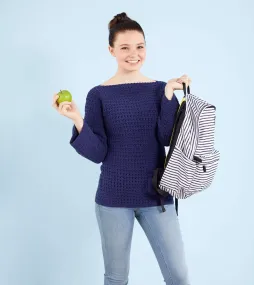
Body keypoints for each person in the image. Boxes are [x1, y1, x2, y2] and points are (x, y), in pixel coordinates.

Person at [52, 12, 191, 285]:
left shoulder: (159, 89)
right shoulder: (98, 95)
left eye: (140, 47)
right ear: (111, 50)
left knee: (179, 277)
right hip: (113, 199)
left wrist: (168, 96)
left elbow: (166, 138)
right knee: (116, 279)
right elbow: (98, 153)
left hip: (157, 197)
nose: (133, 54)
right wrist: (77, 120)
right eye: (125, 47)